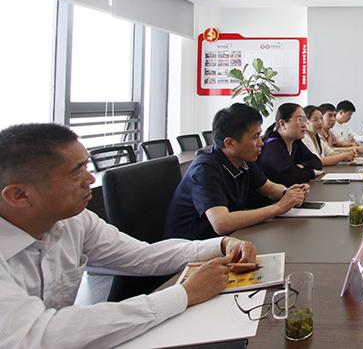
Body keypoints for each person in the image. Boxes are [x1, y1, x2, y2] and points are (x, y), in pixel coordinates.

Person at [0, 123, 258, 349]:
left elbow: (143, 256)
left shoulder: (74, 222)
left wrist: (221, 244)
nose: (90, 179)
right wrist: (184, 294)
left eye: (87, 167)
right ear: (19, 195)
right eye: (76, 172)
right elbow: (38, 336)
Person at [164, 103, 308, 240]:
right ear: (230, 143)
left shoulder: (243, 160)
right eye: (255, 137)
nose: (261, 143)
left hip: (227, 240)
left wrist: (290, 193)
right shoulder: (204, 169)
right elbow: (222, 223)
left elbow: (269, 188)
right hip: (192, 247)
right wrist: (278, 207)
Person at [257, 103, 324, 186]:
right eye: (299, 119)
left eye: (304, 120)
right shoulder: (272, 145)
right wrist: (312, 172)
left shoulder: (295, 141)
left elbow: (316, 162)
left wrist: (300, 167)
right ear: (282, 124)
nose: (304, 125)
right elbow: (291, 177)